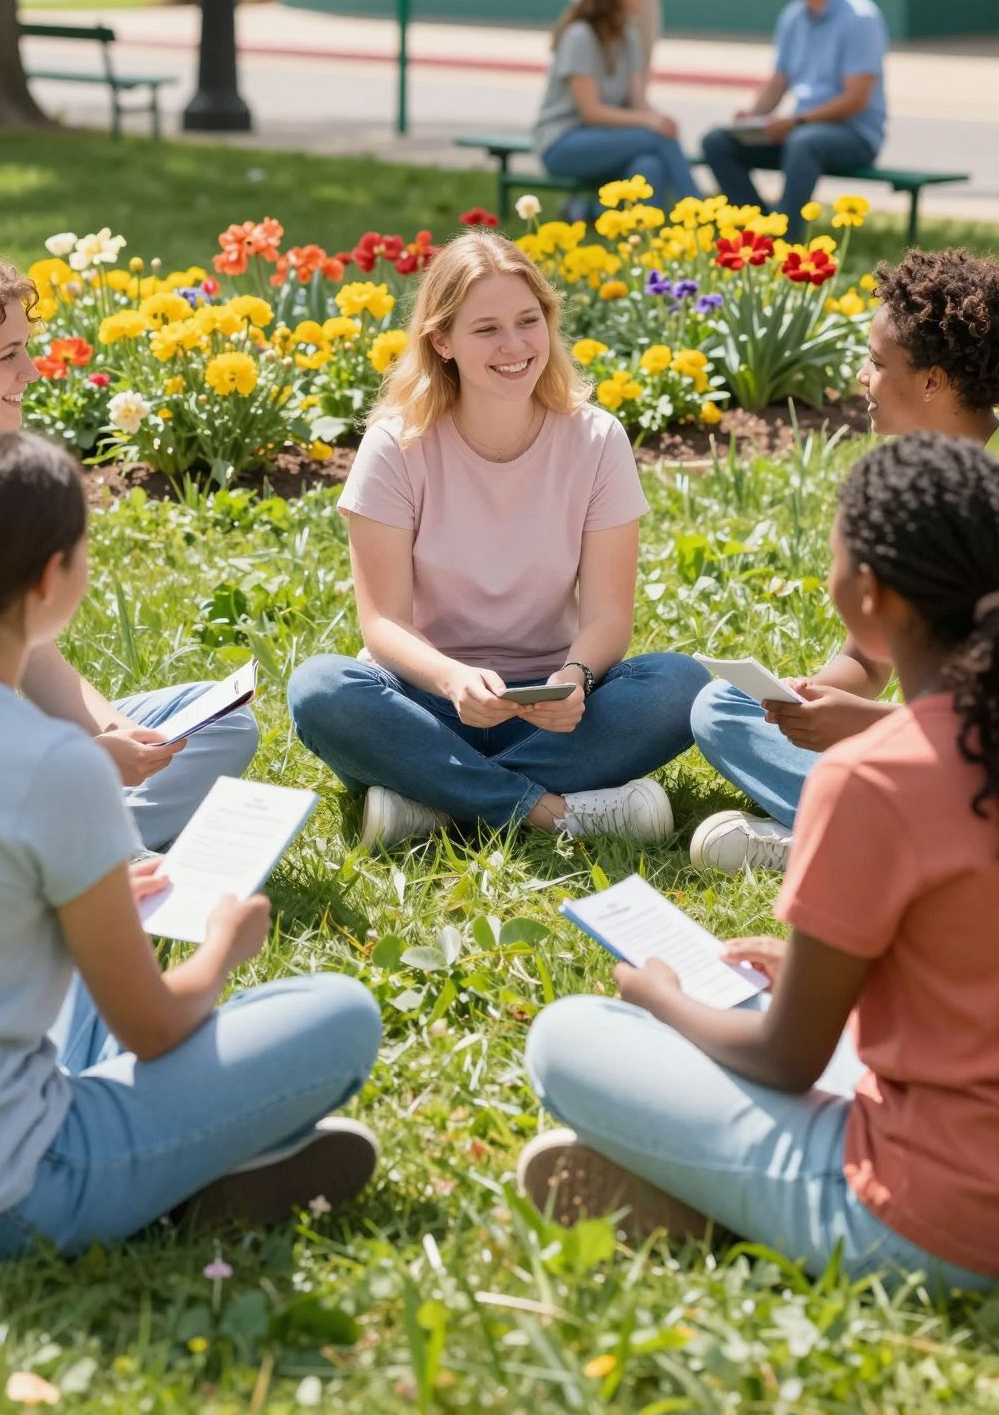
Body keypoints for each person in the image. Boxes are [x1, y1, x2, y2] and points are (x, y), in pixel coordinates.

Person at [0, 430, 382, 1264]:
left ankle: (181, 1166)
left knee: (90, 962)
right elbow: (157, 1029)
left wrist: (71, 908)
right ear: (51, 578)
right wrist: (221, 948)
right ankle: (173, 1178)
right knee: (343, 1016)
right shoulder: (56, 763)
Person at [519, 432, 999, 1293]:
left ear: (868, 593)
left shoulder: (873, 775)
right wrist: (843, 980)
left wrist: (664, 1002)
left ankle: (712, 1208)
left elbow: (787, 1061)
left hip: (935, 1220)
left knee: (567, 1039)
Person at [287, 231, 707, 851]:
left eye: (527, 321)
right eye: (485, 330)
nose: (514, 346)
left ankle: (431, 799)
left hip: (553, 710)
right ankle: (550, 812)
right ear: (441, 341)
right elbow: (382, 624)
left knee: (682, 685)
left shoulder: (596, 439)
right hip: (424, 703)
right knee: (320, 690)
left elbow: (610, 617)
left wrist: (577, 676)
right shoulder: (395, 446)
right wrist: (455, 681)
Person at [0, 248, 257, 851]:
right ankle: (72, 857)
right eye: (9, 355)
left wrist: (117, 734)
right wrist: (71, 764)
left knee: (217, 726)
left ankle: (64, 849)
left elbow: (33, 655)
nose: (32, 373)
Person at [690, 246, 999, 875]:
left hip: (976, 762)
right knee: (721, 707)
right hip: (923, 754)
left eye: (876, 362)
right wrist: (805, 704)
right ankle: (860, 826)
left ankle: (846, 834)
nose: (862, 377)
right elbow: (870, 655)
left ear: (933, 381)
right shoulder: (904, 487)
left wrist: (866, 725)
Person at [701, 0, 887, 232]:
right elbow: (779, 80)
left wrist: (797, 121)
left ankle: (787, 238)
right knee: (718, 141)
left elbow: (856, 99)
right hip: (801, 128)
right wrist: (754, 116)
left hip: (853, 135)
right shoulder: (793, 17)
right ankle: (759, 230)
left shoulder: (860, 18)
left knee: (804, 142)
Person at [533, 0, 701, 210]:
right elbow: (591, 113)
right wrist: (649, 123)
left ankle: (629, 229)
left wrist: (660, 119)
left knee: (648, 166)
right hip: (563, 142)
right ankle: (700, 214)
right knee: (656, 139)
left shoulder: (628, 36)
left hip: (608, 139)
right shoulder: (580, 36)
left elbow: (637, 103)